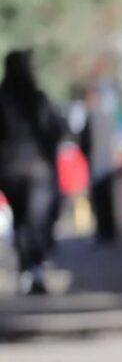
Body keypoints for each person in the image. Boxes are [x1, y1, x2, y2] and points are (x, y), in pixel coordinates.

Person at [0, 50, 65, 295]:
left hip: (9, 171)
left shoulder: (4, 99)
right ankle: (33, 267)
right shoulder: (37, 98)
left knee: (22, 221)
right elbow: (56, 129)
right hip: (37, 171)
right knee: (36, 221)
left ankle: (28, 269)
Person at [78, 81, 117, 244]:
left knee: (100, 201)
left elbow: (84, 142)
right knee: (106, 200)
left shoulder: (92, 116)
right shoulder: (106, 115)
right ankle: (108, 232)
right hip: (107, 163)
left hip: (97, 164)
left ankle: (104, 232)